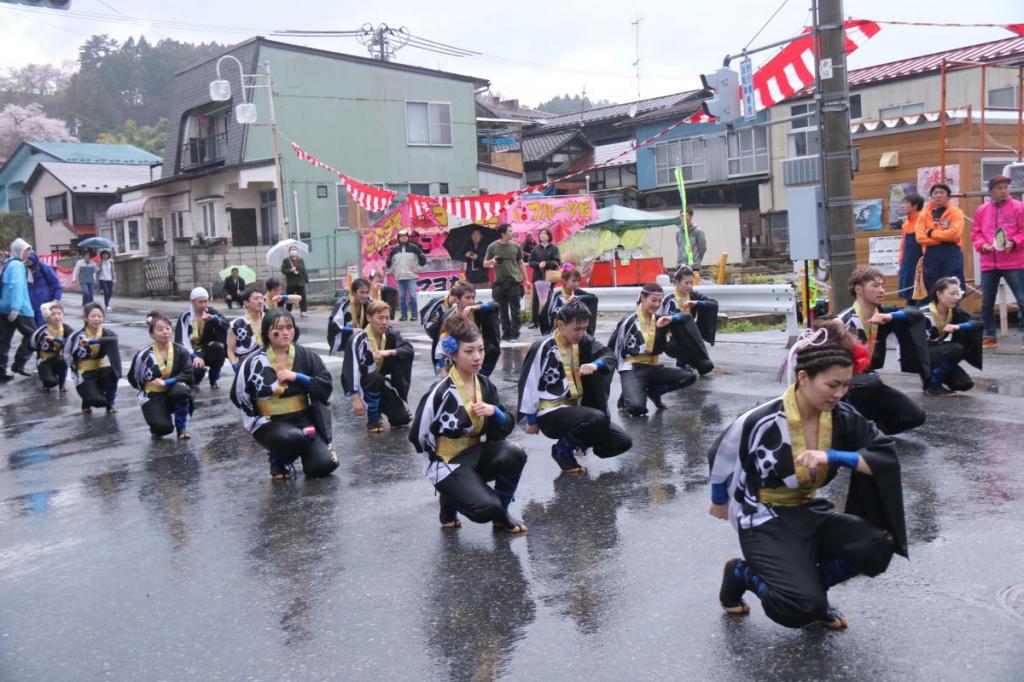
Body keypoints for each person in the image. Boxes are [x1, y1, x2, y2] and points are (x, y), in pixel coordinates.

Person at [708, 319, 906, 630]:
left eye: (846, 385)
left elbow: (883, 456)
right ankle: (741, 573)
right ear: (803, 377)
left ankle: (813, 591)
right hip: (764, 518)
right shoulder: (762, 419)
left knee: (877, 544)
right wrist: (719, 501)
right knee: (799, 608)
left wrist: (832, 456)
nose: (840, 393)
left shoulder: (842, 416)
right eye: (832, 385)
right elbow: (720, 454)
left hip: (809, 509)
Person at [409, 314, 527, 533]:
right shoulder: (440, 392)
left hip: (474, 452)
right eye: (469, 351)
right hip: (447, 462)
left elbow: (503, 428)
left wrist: (495, 413)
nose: (477, 357)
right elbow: (417, 436)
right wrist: (438, 469)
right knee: (486, 507)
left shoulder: (485, 385)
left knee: (515, 453)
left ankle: (501, 514)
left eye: (480, 349)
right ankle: (451, 498)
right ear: (453, 353)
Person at [518, 300, 632, 474]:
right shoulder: (543, 346)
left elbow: (609, 355)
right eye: (577, 329)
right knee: (596, 418)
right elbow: (528, 383)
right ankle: (562, 451)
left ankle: (582, 442)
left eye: (585, 328)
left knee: (622, 441)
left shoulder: (584, 341)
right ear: (561, 324)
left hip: (577, 411)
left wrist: (596, 364)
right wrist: (531, 420)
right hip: (549, 412)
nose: (582, 333)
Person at [230, 310, 339, 480]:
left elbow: (325, 385)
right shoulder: (253, 361)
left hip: (303, 418)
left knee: (324, 465)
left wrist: (299, 377)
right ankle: (278, 459)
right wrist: (255, 418)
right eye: (278, 328)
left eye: (289, 327)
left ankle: (305, 451)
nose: (285, 332)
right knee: (289, 437)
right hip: (271, 423)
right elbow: (237, 395)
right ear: (267, 332)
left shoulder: (307, 356)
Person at [839, 267, 928, 434]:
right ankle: (846, 426)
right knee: (869, 382)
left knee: (916, 416)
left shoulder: (884, 313)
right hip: (847, 383)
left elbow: (915, 314)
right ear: (859, 289)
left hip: (870, 380)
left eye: (882, 286)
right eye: (875, 286)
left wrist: (892, 317)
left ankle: (871, 431)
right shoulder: (843, 321)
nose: (881, 290)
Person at [608, 282, 697, 417]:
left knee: (689, 377)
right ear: (643, 298)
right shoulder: (629, 321)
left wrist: (673, 320)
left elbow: (686, 321)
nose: (656, 304)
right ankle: (627, 394)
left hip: (653, 366)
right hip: (632, 367)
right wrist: (623, 373)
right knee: (637, 408)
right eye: (653, 300)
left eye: (659, 301)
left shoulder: (662, 320)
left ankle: (654, 392)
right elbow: (613, 347)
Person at [341, 300, 414, 433]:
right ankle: (374, 418)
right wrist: (355, 398)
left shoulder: (391, 334)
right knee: (374, 378)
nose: (384, 322)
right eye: (380, 318)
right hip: (364, 383)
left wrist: (389, 352)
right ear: (369, 318)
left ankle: (388, 404)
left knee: (401, 419)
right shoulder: (357, 340)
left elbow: (408, 350)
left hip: (381, 380)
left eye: (387, 318)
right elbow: (350, 369)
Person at [971, 175, 1024, 348]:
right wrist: (982, 245)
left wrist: (1014, 242)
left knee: (1022, 299)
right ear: (991, 191)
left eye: (1005, 187)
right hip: (989, 262)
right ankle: (989, 335)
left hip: (1014, 262)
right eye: (999, 188)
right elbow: (976, 233)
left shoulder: (1019, 207)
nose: (1004, 191)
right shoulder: (981, 210)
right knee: (987, 301)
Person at [128, 312, 194, 440]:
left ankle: (181, 428)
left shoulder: (181, 351)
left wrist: (168, 382)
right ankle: (157, 417)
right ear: (152, 334)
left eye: (168, 328)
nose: (165, 332)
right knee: (163, 428)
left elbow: (188, 373)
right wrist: (146, 390)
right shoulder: (143, 356)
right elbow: (133, 377)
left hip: (173, 390)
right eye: (160, 329)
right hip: (153, 394)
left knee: (181, 390)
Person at [920, 277, 981, 396]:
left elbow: (977, 322)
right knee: (955, 349)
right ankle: (932, 384)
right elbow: (915, 344)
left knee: (964, 384)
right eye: (952, 294)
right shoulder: (924, 314)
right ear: (939, 294)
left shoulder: (954, 311)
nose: (956, 297)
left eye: (958, 294)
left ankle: (933, 376)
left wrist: (959, 326)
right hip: (920, 354)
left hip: (934, 351)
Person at [427, 282, 501, 377]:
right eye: (467, 298)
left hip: (479, 359)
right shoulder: (450, 317)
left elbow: (495, 306)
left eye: (473, 297)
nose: (471, 301)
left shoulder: (477, 309)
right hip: (458, 359)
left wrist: (477, 307)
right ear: (457, 299)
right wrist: (444, 373)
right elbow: (441, 346)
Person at [658, 266, 718, 376]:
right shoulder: (669, 299)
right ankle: (682, 362)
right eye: (686, 283)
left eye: (692, 282)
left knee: (706, 367)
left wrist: (698, 303)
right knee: (682, 324)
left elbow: (713, 304)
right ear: (677, 282)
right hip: (672, 341)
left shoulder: (693, 295)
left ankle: (690, 360)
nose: (690, 286)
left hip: (691, 338)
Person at [65, 302, 121, 414]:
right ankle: (88, 399)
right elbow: (67, 354)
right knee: (97, 401)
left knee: (112, 374)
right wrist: (74, 370)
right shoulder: (76, 336)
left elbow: (114, 346)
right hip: (84, 371)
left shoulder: (107, 333)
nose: (97, 319)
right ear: (85, 318)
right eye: (93, 316)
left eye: (100, 316)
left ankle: (110, 403)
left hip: (101, 368)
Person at [174, 287, 229, 389]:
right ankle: (194, 380)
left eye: (205, 301)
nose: (204, 305)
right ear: (192, 302)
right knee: (197, 369)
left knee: (218, 348)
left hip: (205, 349)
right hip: (190, 353)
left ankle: (214, 380)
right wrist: (194, 356)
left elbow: (226, 325)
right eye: (200, 302)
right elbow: (182, 341)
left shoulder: (211, 312)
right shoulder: (186, 317)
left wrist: (215, 319)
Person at [915, 183, 965, 292]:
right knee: (932, 285)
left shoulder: (956, 212)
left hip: (951, 254)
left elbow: (954, 234)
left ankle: (955, 308)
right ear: (931, 196)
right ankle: (934, 308)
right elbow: (920, 237)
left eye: (941, 193)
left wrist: (931, 233)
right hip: (931, 255)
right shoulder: (923, 214)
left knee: (954, 283)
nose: (938, 195)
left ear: (948, 196)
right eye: (935, 193)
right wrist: (941, 240)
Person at [484, 224, 529, 341]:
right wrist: (492, 261)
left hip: (514, 281)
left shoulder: (516, 246)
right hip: (500, 283)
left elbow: (521, 263)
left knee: (515, 309)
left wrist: (527, 279)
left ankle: (516, 332)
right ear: (503, 233)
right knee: (502, 309)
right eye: (509, 231)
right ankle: (506, 332)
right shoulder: (492, 247)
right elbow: (485, 263)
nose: (512, 233)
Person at [0, 237, 36, 382]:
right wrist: (16, 307)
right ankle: (18, 364)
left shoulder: (8, 264)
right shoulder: (17, 266)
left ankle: (1, 370)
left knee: (3, 340)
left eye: (29, 250)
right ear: (19, 251)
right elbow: (17, 286)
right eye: (26, 250)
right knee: (34, 336)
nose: (28, 253)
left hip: (4, 308)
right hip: (20, 309)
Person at [537, 268, 598, 336]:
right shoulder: (556, 296)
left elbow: (593, 299)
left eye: (578, 281)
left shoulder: (581, 296)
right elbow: (545, 315)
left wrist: (576, 303)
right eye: (573, 281)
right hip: (558, 333)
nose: (576, 284)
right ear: (564, 280)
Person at [29, 301, 71, 392]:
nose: (57, 316)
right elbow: (32, 344)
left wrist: (56, 339)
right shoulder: (41, 331)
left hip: (59, 358)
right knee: (51, 382)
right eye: (53, 314)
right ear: (47, 317)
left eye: (59, 314)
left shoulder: (66, 329)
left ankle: (62, 385)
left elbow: (72, 343)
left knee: (64, 361)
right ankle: (47, 381)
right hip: (44, 360)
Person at [386, 229, 427, 322]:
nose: (403, 238)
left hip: (411, 276)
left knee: (413, 296)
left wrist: (417, 269)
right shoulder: (395, 249)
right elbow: (389, 262)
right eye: (401, 236)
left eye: (405, 236)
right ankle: (403, 315)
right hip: (399, 277)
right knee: (402, 297)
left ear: (408, 237)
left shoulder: (414, 247)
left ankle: (414, 315)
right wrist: (392, 271)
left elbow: (423, 260)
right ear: (398, 238)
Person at [327, 278, 371, 355]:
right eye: (362, 292)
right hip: (345, 337)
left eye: (367, 292)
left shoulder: (368, 304)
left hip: (362, 336)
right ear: (354, 292)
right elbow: (334, 324)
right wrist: (352, 330)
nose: (365, 295)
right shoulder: (343, 304)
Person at [528, 228, 560, 328]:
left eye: (545, 234)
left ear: (549, 236)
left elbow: (557, 261)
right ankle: (534, 321)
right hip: (538, 276)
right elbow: (530, 262)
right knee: (536, 300)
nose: (542, 235)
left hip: (549, 277)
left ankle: (548, 318)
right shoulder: (536, 248)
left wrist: (546, 264)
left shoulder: (554, 248)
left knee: (548, 298)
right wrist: (538, 265)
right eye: (541, 234)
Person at [896, 193, 925, 305]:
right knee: (909, 294)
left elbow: (924, 243)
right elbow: (903, 245)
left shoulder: (923, 219)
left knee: (921, 292)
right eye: (903, 203)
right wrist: (900, 262)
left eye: (906, 203)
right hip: (908, 262)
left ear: (915, 206)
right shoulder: (906, 223)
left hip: (920, 261)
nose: (903, 206)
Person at [227, 288, 265, 371]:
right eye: (256, 298)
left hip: (269, 364)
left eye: (262, 298)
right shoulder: (236, 324)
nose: (260, 301)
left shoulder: (270, 319)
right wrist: (235, 366)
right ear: (246, 303)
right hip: (246, 366)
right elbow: (230, 350)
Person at [23, 248, 62, 327]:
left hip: (44, 306)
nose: (28, 262)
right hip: (30, 306)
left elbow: (56, 285)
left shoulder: (44, 267)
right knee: (32, 330)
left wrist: (56, 299)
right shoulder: (24, 269)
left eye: (29, 260)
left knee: (42, 328)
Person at [280, 246, 309, 317]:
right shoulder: (286, 260)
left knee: (302, 297)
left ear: (297, 251)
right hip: (291, 283)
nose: (293, 251)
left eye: (294, 249)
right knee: (289, 298)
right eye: (292, 250)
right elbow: (283, 270)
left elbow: (304, 270)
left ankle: (303, 311)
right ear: (289, 251)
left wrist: (306, 279)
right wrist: (290, 270)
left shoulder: (300, 260)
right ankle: (288, 311)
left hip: (300, 282)